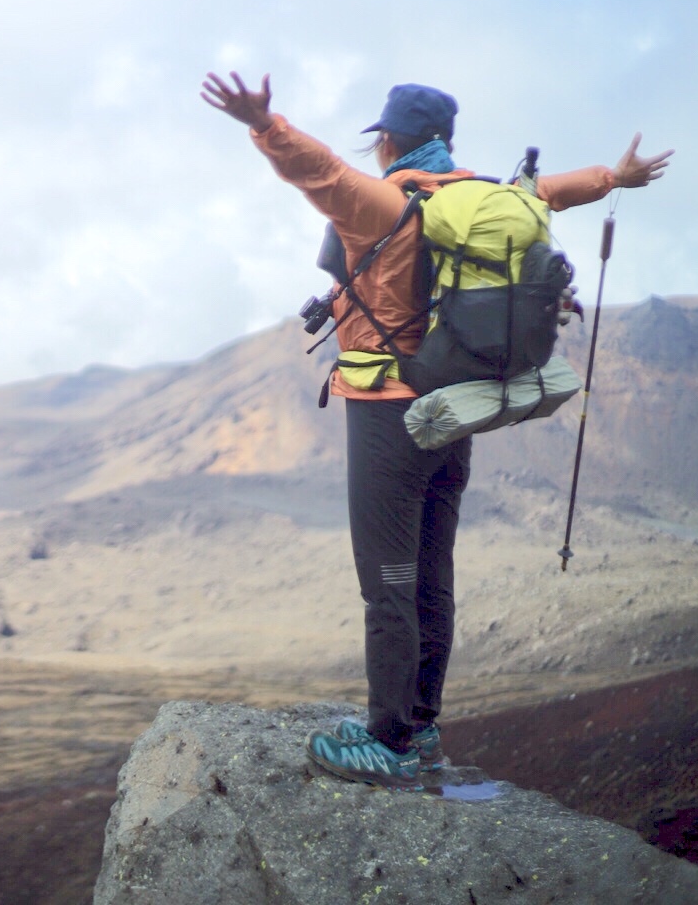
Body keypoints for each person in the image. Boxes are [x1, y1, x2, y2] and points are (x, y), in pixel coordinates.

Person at [201, 71, 672, 789]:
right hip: (456, 408)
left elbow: (319, 170)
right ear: (445, 143)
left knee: (386, 578)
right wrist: (618, 177)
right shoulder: (490, 199)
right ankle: (422, 728)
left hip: (388, 411)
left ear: (388, 141)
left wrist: (265, 125)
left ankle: (388, 740)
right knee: (430, 573)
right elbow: (554, 192)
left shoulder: (383, 204)